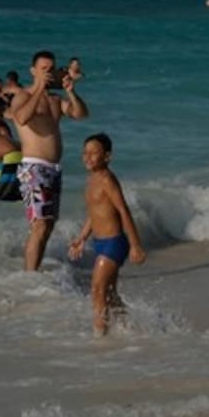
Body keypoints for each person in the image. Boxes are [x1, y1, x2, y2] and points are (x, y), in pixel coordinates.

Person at [6, 51, 89, 270]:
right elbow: (21, 118)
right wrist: (39, 89)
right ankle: (29, 276)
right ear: (33, 71)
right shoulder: (22, 96)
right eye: (43, 69)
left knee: (48, 225)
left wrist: (71, 92)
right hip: (33, 167)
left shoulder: (55, 100)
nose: (48, 73)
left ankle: (33, 271)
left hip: (53, 169)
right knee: (40, 225)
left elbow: (81, 114)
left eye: (51, 69)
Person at [67, 133, 146, 336]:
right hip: (100, 242)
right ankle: (130, 328)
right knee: (109, 294)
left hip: (114, 243)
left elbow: (123, 210)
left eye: (94, 153)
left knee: (97, 290)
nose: (88, 157)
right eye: (85, 153)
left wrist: (135, 245)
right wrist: (81, 238)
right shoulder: (91, 179)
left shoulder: (107, 180)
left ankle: (100, 336)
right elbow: (94, 214)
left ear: (107, 156)